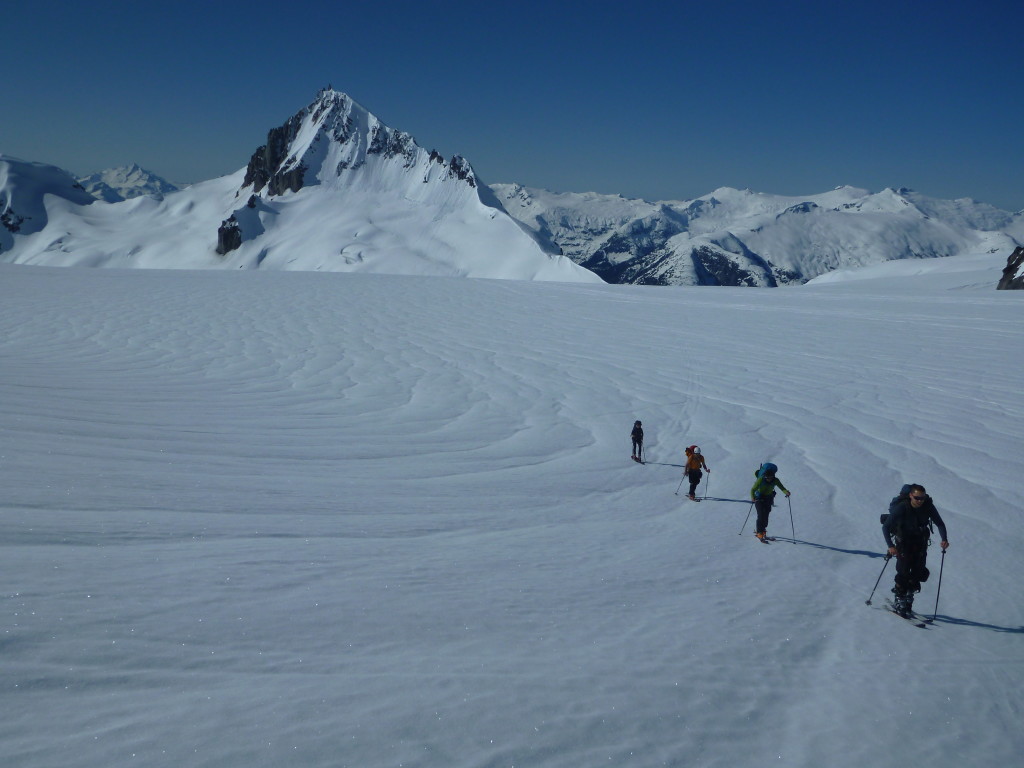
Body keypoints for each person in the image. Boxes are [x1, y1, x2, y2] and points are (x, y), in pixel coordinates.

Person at [882, 484, 949, 617]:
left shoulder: (927, 506)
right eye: (917, 498)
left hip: (920, 541)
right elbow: (886, 526)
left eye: (922, 498)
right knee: (904, 570)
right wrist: (890, 546)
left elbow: (940, 523)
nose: (920, 500)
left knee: (918, 570)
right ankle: (900, 599)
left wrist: (944, 539)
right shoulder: (902, 507)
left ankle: (908, 599)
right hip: (903, 542)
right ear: (911, 495)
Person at [750, 463, 790, 540]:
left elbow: (782, 488)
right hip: (759, 498)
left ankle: (763, 530)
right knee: (761, 514)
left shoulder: (775, 480)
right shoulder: (761, 479)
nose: (769, 479)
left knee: (766, 515)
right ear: (765, 476)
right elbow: (753, 489)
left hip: (768, 498)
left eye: (770, 478)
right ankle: (759, 532)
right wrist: (752, 497)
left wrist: (786, 492)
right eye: (767, 478)